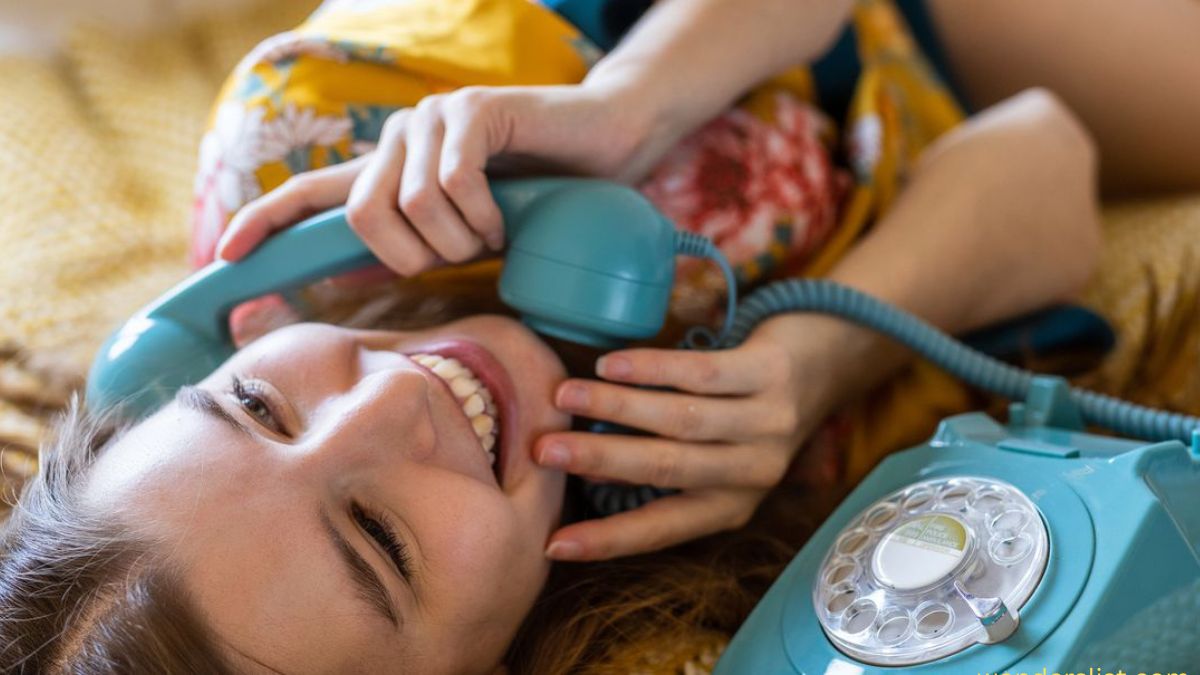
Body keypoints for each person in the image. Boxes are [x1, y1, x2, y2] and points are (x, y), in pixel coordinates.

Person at [3, 0, 1197, 672]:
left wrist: (628, 106)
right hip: (963, 94)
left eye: (254, 408)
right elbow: (1043, 159)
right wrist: (818, 358)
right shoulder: (696, 516)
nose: (389, 401)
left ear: (173, 368)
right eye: (380, 541)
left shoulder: (318, 138)